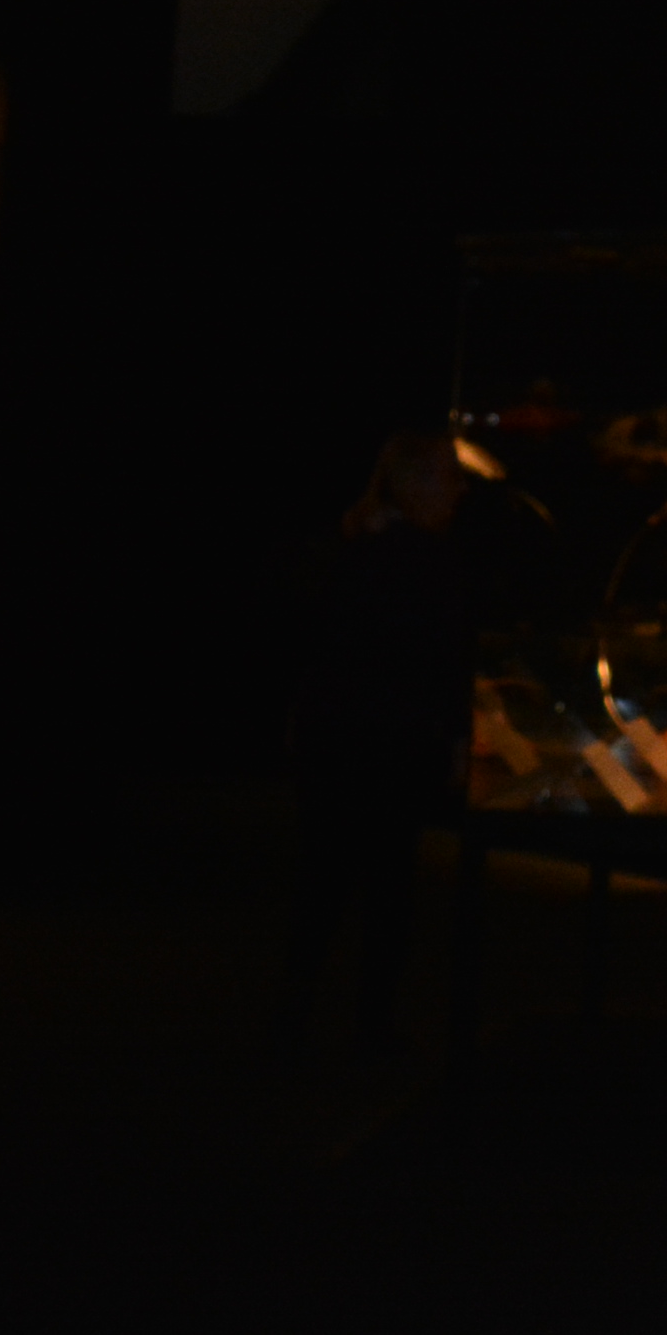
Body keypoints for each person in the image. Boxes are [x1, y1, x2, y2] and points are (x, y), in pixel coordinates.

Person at [280, 426, 479, 1053]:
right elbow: (444, 662)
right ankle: (371, 1023)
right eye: (449, 476)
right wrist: (456, 740)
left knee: (322, 879)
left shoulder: (351, 546)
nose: (460, 489)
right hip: (394, 744)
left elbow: (310, 642)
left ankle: (293, 1017)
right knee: (388, 886)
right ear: (416, 483)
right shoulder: (430, 561)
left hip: (334, 739)